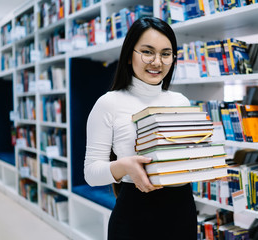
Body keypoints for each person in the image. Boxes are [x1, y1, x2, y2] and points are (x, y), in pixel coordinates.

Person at [84, 17, 197, 240]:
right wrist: (125, 165)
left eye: (165, 54)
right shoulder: (109, 103)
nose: (157, 61)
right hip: (135, 214)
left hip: (181, 210)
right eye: (147, 52)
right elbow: (91, 174)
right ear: (129, 55)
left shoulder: (181, 102)